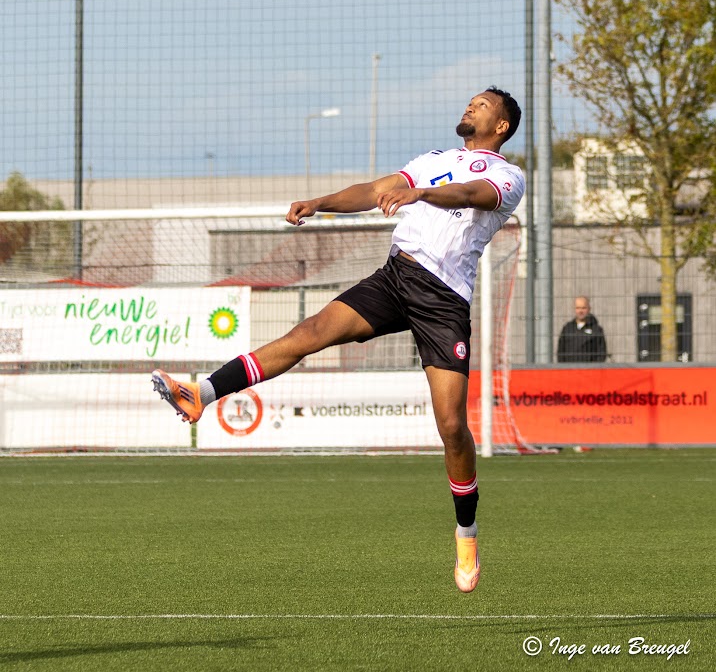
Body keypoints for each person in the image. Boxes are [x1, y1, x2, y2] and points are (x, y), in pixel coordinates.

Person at [152, 86, 524, 593]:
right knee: (308, 334)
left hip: (443, 300)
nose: (469, 107)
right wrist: (320, 203)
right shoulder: (436, 158)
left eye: (481, 105)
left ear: (501, 126)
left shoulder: (507, 175)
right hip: (396, 278)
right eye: (470, 102)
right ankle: (202, 394)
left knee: (453, 426)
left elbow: (469, 196)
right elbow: (374, 190)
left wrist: (421, 194)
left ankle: (466, 532)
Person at [556, 296, 608, 363]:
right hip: (570, 370)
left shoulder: (596, 329)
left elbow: (601, 353)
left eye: (583, 308)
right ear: (574, 309)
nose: (580, 311)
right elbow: (561, 351)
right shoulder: (567, 328)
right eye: (578, 308)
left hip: (589, 370)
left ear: (589, 309)